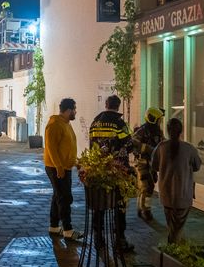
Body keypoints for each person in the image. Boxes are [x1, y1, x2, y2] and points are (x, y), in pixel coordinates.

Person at [89, 94, 137, 252]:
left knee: (99, 205)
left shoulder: (95, 121)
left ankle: (98, 239)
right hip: (118, 171)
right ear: (118, 106)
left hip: (99, 170)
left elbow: (92, 145)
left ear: (106, 104)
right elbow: (129, 145)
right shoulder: (119, 123)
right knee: (119, 206)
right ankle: (119, 241)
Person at [153, 118, 202, 244]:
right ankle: (173, 251)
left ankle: (172, 250)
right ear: (181, 131)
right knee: (177, 227)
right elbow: (197, 166)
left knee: (172, 225)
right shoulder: (189, 149)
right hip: (183, 194)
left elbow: (154, 165)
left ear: (168, 131)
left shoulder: (161, 147)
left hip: (166, 194)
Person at [44, 98, 84, 242]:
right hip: (56, 168)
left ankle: (54, 227)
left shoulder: (66, 124)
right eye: (74, 109)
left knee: (58, 196)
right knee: (65, 198)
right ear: (68, 110)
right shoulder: (54, 124)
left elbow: (68, 147)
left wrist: (76, 163)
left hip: (65, 167)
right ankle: (68, 230)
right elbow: (51, 148)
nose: (75, 112)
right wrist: (59, 167)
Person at [131, 107, 165, 222]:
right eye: (159, 120)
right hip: (142, 163)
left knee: (147, 186)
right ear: (152, 119)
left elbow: (162, 142)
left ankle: (140, 208)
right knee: (147, 186)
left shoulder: (158, 131)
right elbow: (133, 142)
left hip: (152, 164)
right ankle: (146, 210)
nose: (160, 122)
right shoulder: (142, 131)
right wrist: (147, 148)